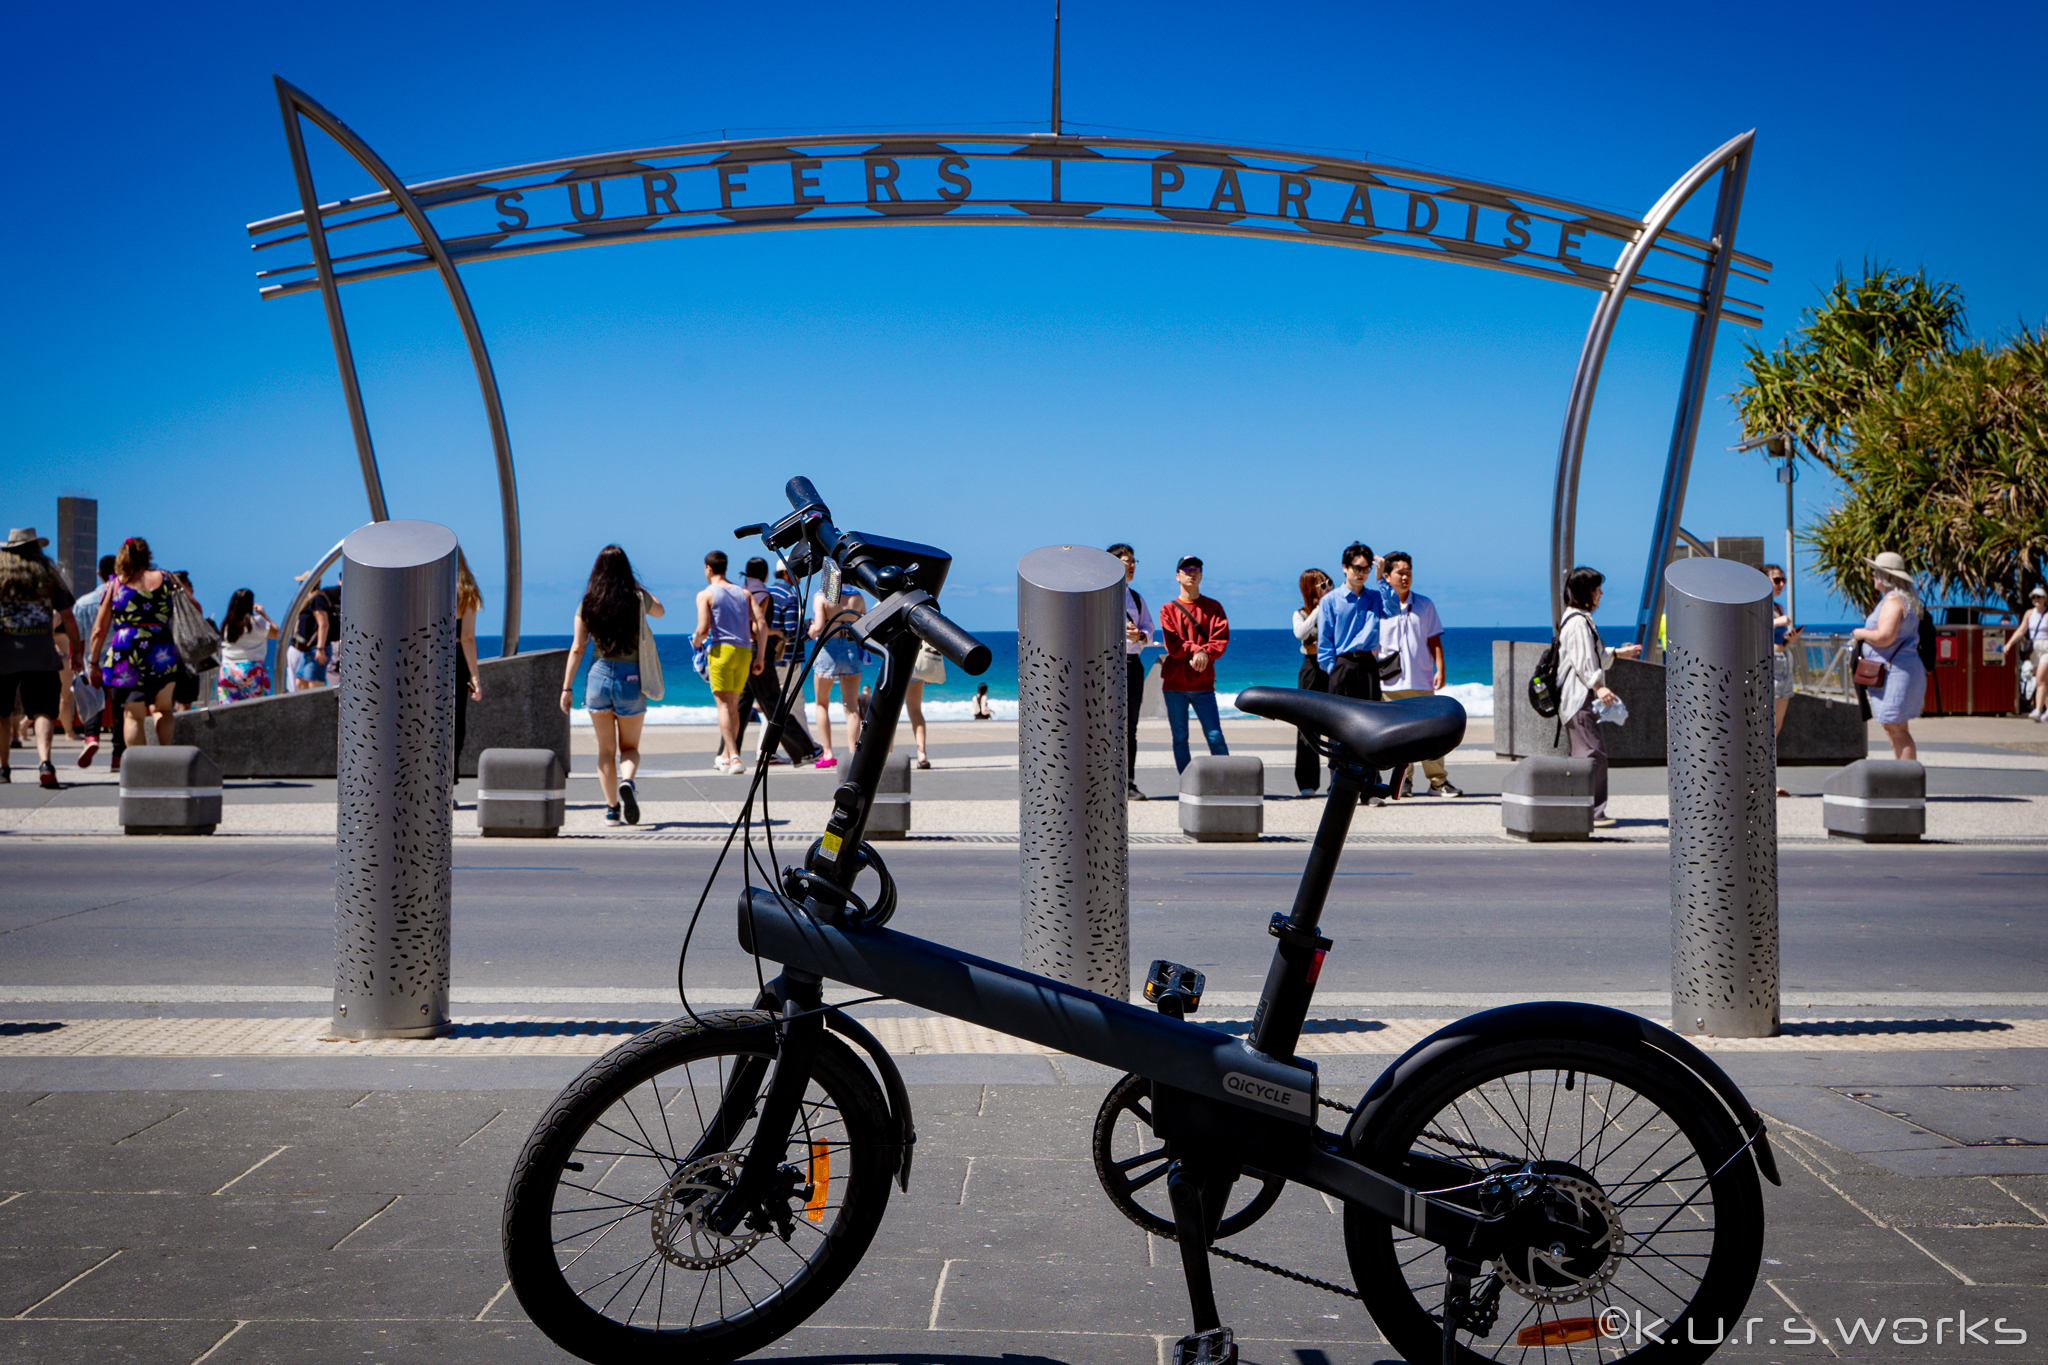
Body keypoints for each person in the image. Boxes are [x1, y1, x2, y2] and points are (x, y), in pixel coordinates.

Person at [560, 545, 662, 826]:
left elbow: (578, 647)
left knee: (605, 750)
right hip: (631, 679)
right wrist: (638, 587)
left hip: (598, 677)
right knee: (629, 748)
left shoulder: (588, 602)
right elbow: (661, 611)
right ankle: (627, 781)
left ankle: (611, 809)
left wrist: (566, 688)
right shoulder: (637, 598)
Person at [1557, 566, 1643, 829]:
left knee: (1588, 752)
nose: (1601, 594)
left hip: (1577, 698)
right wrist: (1598, 687)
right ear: (1586, 591)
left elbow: (1595, 655)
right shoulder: (1578, 622)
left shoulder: (1577, 618)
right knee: (1592, 754)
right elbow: (1585, 662)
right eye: (1597, 589)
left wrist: (1618, 653)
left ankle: (1584, 809)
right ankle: (1592, 812)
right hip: (1579, 698)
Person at [86, 537, 186, 757]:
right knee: (164, 709)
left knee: (133, 714)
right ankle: (167, 757)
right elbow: (192, 607)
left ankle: (141, 768)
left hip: (127, 651)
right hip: (162, 649)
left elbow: (98, 630)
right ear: (148, 556)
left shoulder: (115, 585)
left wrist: (93, 663)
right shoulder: (168, 579)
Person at [0, 528, 80, 789]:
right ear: (36, 549)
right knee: (43, 709)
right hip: (42, 652)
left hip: (5, 651)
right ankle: (45, 762)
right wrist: (77, 651)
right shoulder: (48, 576)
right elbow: (68, 617)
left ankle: (3, 768)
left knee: (2, 713)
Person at [1378, 552, 1462, 799]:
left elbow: (1434, 639)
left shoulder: (1425, 604)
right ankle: (1403, 782)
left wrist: (1440, 670)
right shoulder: (1380, 606)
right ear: (1387, 576)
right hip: (1389, 682)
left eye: (1408, 572)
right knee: (1399, 737)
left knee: (1432, 733)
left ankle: (1438, 782)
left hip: (1422, 679)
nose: (1405, 577)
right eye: (1399, 572)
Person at [734, 557, 818, 766]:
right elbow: (790, 631)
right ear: (787, 573)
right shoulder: (788, 596)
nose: (799, 579)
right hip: (782, 658)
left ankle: (732, 752)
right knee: (783, 705)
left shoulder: (763, 592)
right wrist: (809, 628)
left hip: (749, 652)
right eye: (798, 574)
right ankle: (805, 750)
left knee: (747, 707)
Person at [1157, 555, 1229, 773]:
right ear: (1177, 576)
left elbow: (1220, 641)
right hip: (1174, 684)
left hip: (1203, 684)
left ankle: (1226, 780)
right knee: (1180, 738)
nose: (1191, 572)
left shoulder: (1213, 607)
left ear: (1201, 575)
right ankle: (1187, 782)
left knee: (1214, 735)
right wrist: (1197, 649)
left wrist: (1204, 651)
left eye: (1196, 569)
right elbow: (1173, 645)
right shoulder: (1168, 609)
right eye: (1186, 569)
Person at [1852, 551, 1926, 760]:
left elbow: (1885, 636)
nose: (1873, 577)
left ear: (1885, 576)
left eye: (1875, 572)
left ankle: (1907, 781)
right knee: (1895, 727)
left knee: (1896, 728)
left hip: (1894, 673)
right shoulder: (1907, 600)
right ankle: (1905, 779)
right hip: (1901, 669)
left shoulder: (1893, 601)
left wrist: (1861, 633)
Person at [694, 550, 761, 775]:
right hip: (744, 652)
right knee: (733, 707)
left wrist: (695, 641)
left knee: (723, 706)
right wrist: (759, 655)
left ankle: (734, 756)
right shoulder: (744, 593)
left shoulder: (706, 594)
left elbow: (703, 630)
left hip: (722, 651)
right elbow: (760, 622)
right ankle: (724, 756)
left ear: (708, 568)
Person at [1107, 544, 1156, 799]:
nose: (1132, 565)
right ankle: (1107, 783)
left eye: (1135, 561)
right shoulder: (1100, 595)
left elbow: (1149, 628)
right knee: (1107, 726)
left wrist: (1141, 634)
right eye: (1127, 561)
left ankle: (1128, 782)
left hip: (1133, 664)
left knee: (1130, 727)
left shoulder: (1136, 597)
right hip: (1107, 664)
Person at [809, 580, 868, 769]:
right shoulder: (858, 597)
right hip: (850, 646)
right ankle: (853, 754)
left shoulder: (821, 596)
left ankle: (828, 753)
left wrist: (810, 630)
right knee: (851, 707)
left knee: (821, 703)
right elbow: (865, 624)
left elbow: (818, 627)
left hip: (828, 648)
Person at [69, 555, 116, 768]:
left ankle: (91, 737)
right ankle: (118, 754)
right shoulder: (125, 598)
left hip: (92, 658)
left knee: (93, 700)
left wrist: (76, 655)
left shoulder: (84, 602)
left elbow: (76, 634)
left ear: (99, 574)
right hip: (120, 660)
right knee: (120, 706)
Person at [1290, 568, 1332, 797]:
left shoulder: (1336, 608)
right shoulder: (1301, 613)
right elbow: (1300, 633)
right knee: (1306, 725)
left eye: (1329, 583)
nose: (1328, 588)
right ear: (1310, 589)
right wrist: (1318, 609)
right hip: (1311, 669)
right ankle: (1307, 782)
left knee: (1337, 726)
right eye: (1322, 584)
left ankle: (1338, 778)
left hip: (1332, 667)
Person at [1763, 564, 1803, 794]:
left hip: (1782, 661)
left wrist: (1790, 639)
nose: (1781, 584)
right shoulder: (1759, 605)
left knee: (1776, 727)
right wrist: (1777, 623)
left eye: (1783, 580)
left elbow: (1779, 641)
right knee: (1764, 728)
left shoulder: (1777, 606)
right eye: (1776, 579)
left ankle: (1768, 778)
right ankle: (1761, 781)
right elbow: (1750, 629)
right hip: (1768, 665)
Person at [453, 556, 484, 802]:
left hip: (425, 659)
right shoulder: (466, 593)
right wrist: (475, 676)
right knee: (454, 726)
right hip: (454, 663)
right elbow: (467, 638)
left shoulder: (426, 587)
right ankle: (446, 787)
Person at [215, 590, 278, 703]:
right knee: (256, 710)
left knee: (228, 711)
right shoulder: (258, 622)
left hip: (227, 669)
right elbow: (276, 633)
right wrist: (263, 614)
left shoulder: (225, 624)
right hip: (250, 668)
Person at [2004, 585, 2048, 722]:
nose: (2036, 599)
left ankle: (2038, 710)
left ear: (2045, 599)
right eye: (2034, 597)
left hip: (2046, 647)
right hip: (2034, 649)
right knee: (2045, 681)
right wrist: (2009, 643)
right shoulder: (2029, 613)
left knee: (2040, 679)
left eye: (2039, 597)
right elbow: (2021, 630)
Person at [291, 580, 333, 690]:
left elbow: (323, 623)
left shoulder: (317, 600)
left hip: (316, 649)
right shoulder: (309, 601)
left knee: (313, 685)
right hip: (308, 650)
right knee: (300, 683)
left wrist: (320, 648)